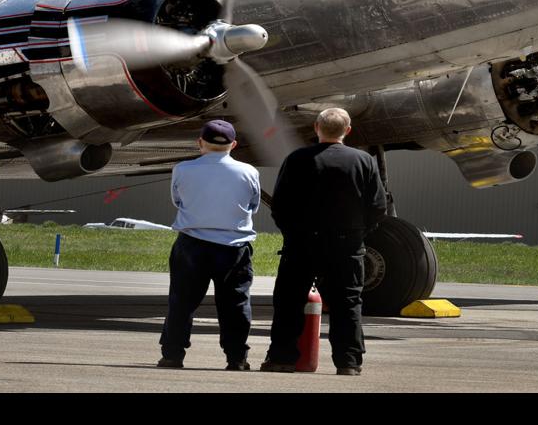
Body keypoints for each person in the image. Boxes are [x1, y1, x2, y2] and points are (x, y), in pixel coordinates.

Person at [261, 107, 388, 377]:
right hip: (346, 244)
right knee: (348, 304)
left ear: (316, 127)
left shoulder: (297, 159)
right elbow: (378, 206)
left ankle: (282, 358)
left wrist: (292, 233)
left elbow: (280, 205)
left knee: (289, 301)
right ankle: (349, 362)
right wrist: (358, 233)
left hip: (302, 243)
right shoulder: (364, 161)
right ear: (348, 130)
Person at [158, 119, 262, 371]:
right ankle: (236, 357)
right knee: (235, 304)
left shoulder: (182, 169)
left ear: (200, 142)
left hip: (193, 243)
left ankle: (173, 354)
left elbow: (177, 200)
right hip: (233, 246)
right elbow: (253, 204)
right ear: (233, 144)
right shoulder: (249, 171)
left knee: (182, 302)